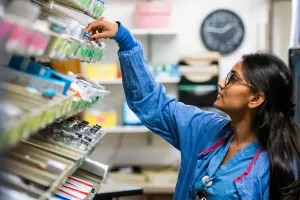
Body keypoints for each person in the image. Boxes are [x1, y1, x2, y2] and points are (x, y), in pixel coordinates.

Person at [86, 18, 300, 200]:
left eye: (233, 79)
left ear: (256, 98)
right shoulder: (206, 130)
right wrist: (125, 40)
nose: (222, 83)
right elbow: (154, 105)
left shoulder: (275, 167)